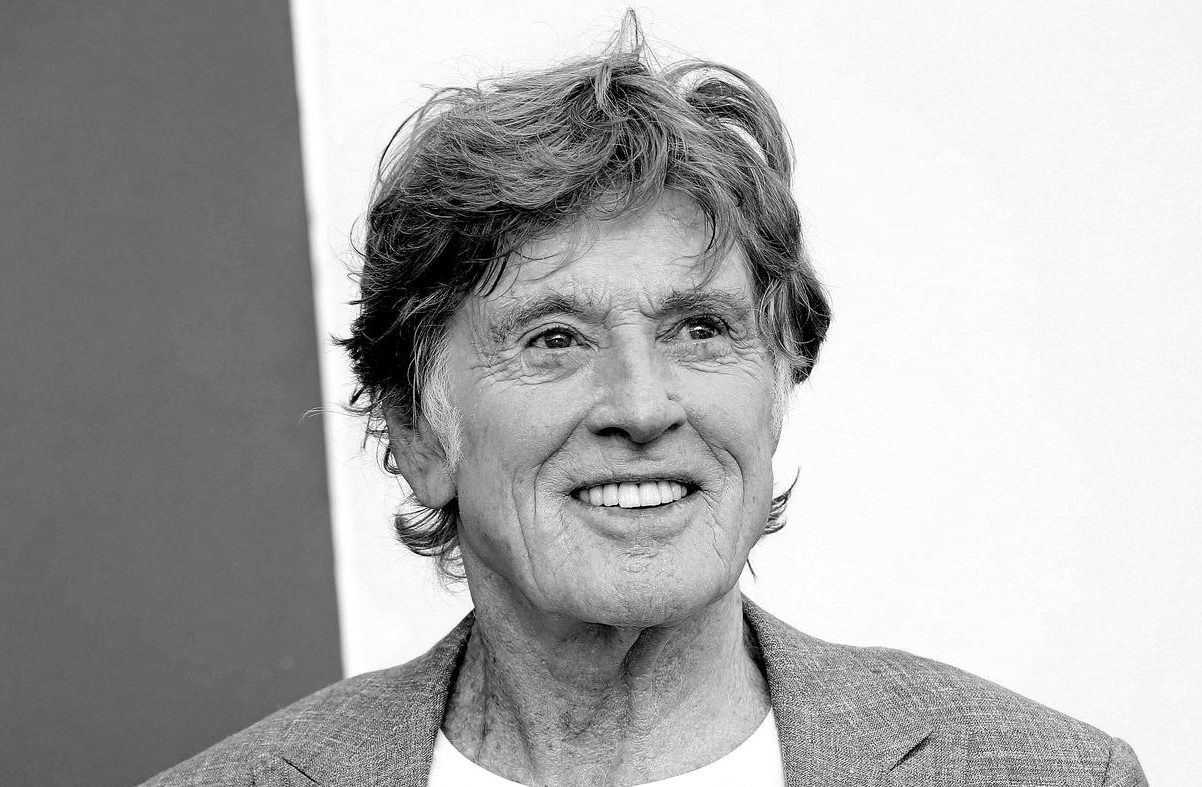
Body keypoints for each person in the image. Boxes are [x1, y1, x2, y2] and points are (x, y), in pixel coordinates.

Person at [144, 14, 1147, 787]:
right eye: (554, 339)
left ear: (777, 386)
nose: (641, 404)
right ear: (417, 433)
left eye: (699, 329)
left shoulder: (1049, 775)